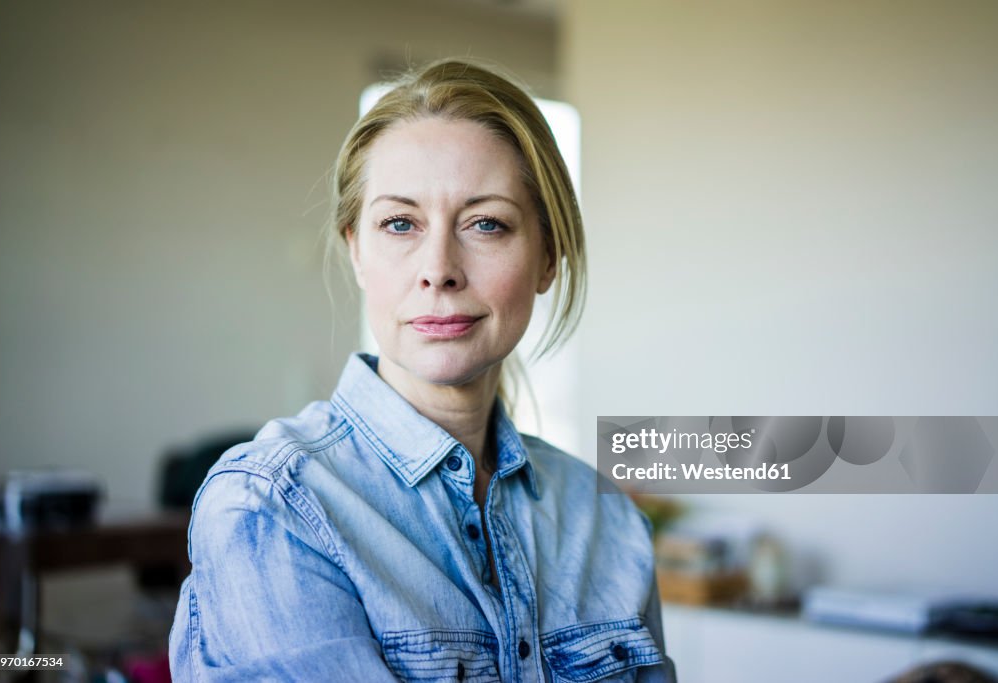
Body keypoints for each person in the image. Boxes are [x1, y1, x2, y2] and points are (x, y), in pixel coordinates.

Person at [169, 58, 677, 682]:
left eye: (486, 223)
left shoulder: (605, 519)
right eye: (400, 224)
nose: (439, 268)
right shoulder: (274, 506)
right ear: (357, 250)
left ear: (548, 257)